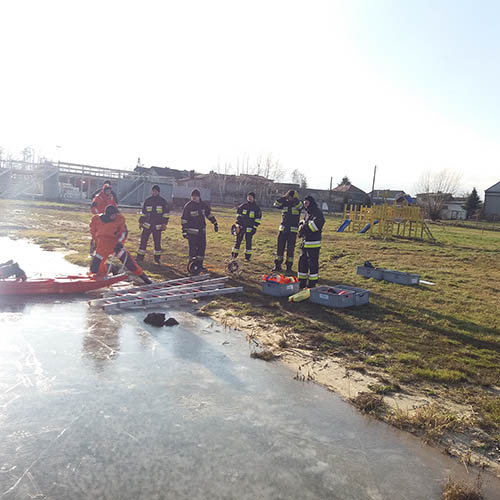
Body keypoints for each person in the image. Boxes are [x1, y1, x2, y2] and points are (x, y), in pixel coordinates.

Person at [89, 205, 152, 284]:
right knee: (95, 267)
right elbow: (93, 232)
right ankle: (110, 270)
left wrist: (119, 243)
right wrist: (96, 242)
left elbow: (123, 233)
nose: (115, 216)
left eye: (115, 214)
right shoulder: (96, 219)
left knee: (130, 264)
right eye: (113, 215)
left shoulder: (119, 219)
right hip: (102, 246)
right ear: (107, 214)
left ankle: (144, 277)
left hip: (115, 245)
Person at [181, 189, 218, 273]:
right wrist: (184, 231)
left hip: (202, 231)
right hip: (192, 232)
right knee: (193, 249)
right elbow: (184, 219)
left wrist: (215, 223)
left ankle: (200, 265)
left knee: (201, 249)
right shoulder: (188, 206)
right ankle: (192, 266)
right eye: (192, 196)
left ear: (199, 197)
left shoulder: (203, 205)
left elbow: (208, 214)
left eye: (195, 196)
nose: (193, 198)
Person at [136, 185, 170, 265]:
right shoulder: (148, 200)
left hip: (157, 226)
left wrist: (164, 224)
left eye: (156, 191)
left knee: (157, 242)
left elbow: (166, 214)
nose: (154, 192)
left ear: (158, 192)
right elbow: (144, 213)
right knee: (143, 241)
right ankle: (140, 257)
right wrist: (141, 222)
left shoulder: (162, 201)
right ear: (152, 191)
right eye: (153, 191)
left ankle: (157, 259)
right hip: (147, 225)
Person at [272, 189, 304, 273]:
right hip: (283, 229)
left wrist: (294, 200)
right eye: (288, 196)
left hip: (292, 231)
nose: (289, 198)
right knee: (280, 248)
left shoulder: (298, 203)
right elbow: (276, 204)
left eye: (291, 196)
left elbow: (300, 206)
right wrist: (283, 198)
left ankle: (289, 267)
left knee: (290, 250)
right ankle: (277, 265)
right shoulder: (285, 203)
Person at [297, 195, 325, 289]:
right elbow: (305, 223)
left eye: (307, 203)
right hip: (305, 243)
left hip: (313, 243)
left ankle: (312, 284)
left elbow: (315, 226)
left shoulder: (317, 213)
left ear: (311, 203)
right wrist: (301, 227)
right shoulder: (308, 212)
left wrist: (303, 228)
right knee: (302, 262)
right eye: (304, 203)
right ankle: (301, 282)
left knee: (312, 264)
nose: (305, 205)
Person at [231, 192, 262, 261]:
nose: (249, 198)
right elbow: (238, 215)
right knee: (237, 242)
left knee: (248, 242)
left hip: (250, 228)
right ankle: (234, 256)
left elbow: (258, 219)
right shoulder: (243, 206)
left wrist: (254, 227)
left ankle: (247, 257)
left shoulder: (256, 208)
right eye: (248, 196)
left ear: (254, 198)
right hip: (241, 227)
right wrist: (238, 224)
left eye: (251, 197)